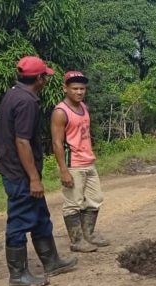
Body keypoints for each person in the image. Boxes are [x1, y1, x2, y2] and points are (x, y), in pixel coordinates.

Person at [0, 56, 78, 286]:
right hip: (20, 173)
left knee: (41, 217)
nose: (45, 80)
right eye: (45, 76)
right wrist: (33, 178)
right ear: (39, 79)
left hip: (16, 169)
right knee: (19, 220)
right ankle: (18, 275)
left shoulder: (13, 94)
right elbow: (22, 141)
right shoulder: (26, 102)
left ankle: (52, 261)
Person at [51, 71, 110, 253]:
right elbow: (57, 142)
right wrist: (63, 170)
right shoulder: (61, 112)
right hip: (73, 163)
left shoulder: (84, 107)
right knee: (73, 203)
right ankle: (76, 240)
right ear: (65, 89)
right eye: (75, 88)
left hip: (88, 161)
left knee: (94, 199)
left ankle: (89, 234)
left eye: (82, 88)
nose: (79, 92)